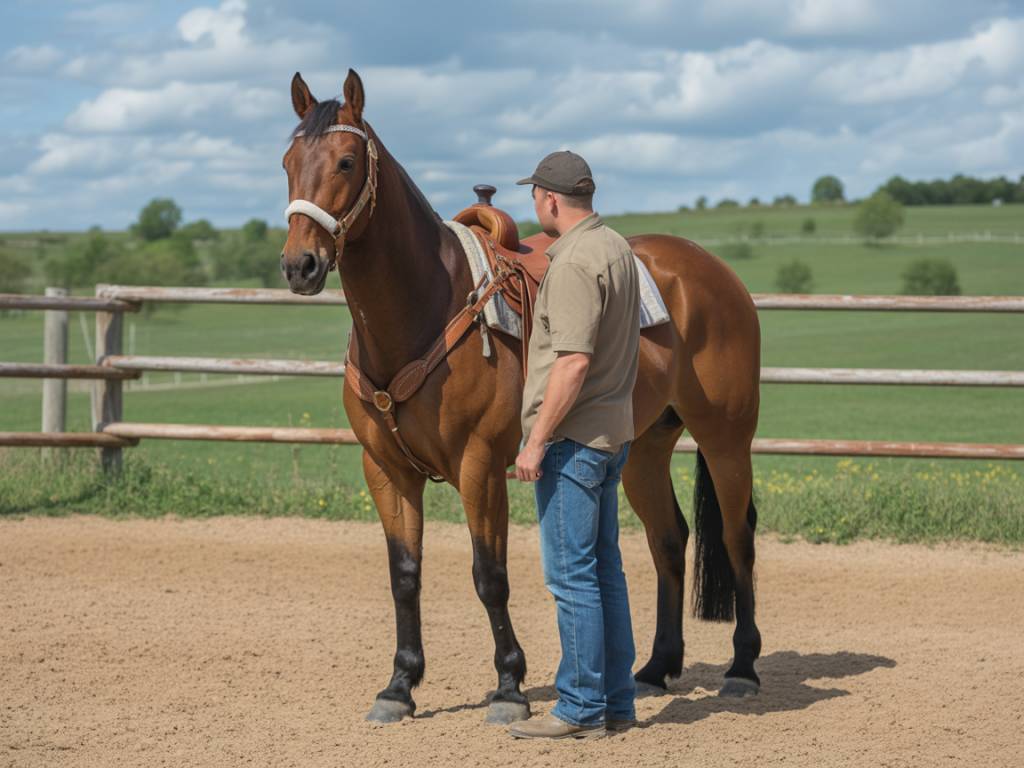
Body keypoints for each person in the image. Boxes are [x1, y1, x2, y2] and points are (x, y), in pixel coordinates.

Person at [506, 150, 641, 740]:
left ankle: (581, 708)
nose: (534, 204)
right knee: (604, 571)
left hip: (573, 441)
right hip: (613, 434)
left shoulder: (573, 263)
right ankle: (616, 703)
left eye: (535, 195)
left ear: (551, 200)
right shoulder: (616, 248)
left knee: (571, 578)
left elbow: (573, 362)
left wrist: (536, 442)